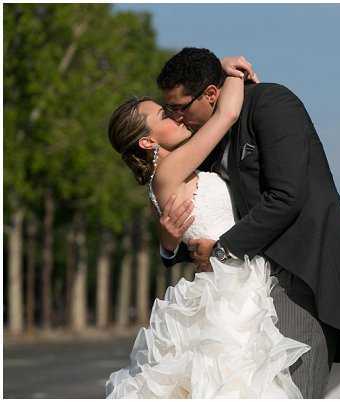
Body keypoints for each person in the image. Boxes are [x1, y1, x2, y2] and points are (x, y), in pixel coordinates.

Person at [156, 48, 340, 398]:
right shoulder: (208, 136)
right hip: (244, 286)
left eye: (180, 108)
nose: (176, 118)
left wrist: (221, 251)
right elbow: (212, 215)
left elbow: (287, 196)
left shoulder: (271, 103)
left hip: (298, 272)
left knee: (290, 390)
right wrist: (170, 246)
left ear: (211, 95)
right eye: (169, 110)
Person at [104, 59, 310, 398]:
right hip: (231, 288)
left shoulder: (172, 173)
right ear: (146, 142)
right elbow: (226, 115)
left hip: (228, 280)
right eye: (165, 115)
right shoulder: (170, 172)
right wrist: (228, 70)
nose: (176, 115)